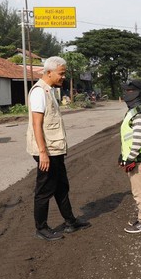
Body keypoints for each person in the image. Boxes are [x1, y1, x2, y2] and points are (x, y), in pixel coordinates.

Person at [26, 56, 91, 241]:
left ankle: (70, 221)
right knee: (44, 190)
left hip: (55, 149)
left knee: (62, 186)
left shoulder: (49, 91)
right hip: (48, 151)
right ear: (48, 73)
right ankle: (41, 228)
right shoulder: (39, 92)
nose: (63, 77)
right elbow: (36, 125)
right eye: (61, 73)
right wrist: (43, 153)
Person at [120, 79, 141, 234]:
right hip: (136, 157)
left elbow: (138, 139)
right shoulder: (133, 111)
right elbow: (128, 136)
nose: (126, 94)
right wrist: (122, 154)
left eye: (129, 91)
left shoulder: (138, 113)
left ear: (136, 93)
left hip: (138, 159)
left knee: (139, 192)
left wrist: (131, 158)